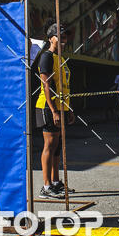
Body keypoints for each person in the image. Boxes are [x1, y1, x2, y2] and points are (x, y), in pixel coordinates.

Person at [34, 22, 74, 197]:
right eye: (60, 36)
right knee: (49, 145)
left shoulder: (62, 59)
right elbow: (46, 85)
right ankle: (46, 185)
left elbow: (64, 85)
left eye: (65, 36)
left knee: (58, 146)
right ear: (51, 39)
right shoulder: (47, 57)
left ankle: (56, 181)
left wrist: (68, 109)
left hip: (61, 107)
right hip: (48, 106)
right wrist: (54, 110)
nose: (63, 39)